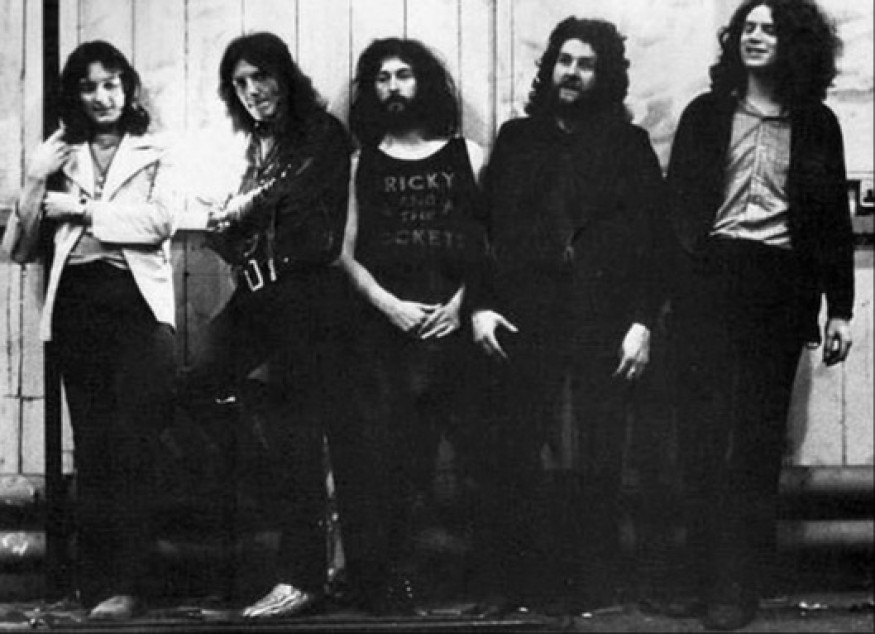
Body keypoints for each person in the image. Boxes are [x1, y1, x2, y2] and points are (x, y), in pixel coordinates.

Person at [652, 0, 854, 630]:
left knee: (758, 441)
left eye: (769, 28)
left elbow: (832, 220)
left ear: (795, 42)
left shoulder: (817, 123)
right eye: (748, 27)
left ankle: (737, 584)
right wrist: (671, 291)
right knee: (702, 436)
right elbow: (676, 208)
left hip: (780, 287)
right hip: (710, 281)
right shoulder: (706, 113)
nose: (755, 36)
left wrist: (840, 309)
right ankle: (699, 577)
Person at [468, 17, 664, 610]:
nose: (573, 73)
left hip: (604, 322)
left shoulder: (628, 146)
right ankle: (518, 586)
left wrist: (642, 323)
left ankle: (591, 586)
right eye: (565, 61)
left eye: (586, 64)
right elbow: (480, 231)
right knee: (516, 453)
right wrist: (480, 307)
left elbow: (655, 242)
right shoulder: (516, 139)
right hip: (523, 321)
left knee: (600, 456)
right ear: (550, 68)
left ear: (604, 76)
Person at [2, 41, 179, 619]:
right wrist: (35, 179)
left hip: (137, 309)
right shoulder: (59, 155)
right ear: (73, 95)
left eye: (110, 84)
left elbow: (160, 221)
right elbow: (20, 248)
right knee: (96, 448)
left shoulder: (156, 149)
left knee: (136, 446)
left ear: (127, 87)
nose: (101, 97)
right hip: (77, 311)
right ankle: (98, 587)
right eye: (88, 87)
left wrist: (81, 210)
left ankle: (132, 584)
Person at [177, 32, 351, 619]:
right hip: (257, 294)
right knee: (196, 384)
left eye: (262, 77)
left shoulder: (322, 134)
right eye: (241, 83)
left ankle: (303, 579)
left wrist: (239, 209)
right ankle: (277, 511)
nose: (253, 91)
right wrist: (229, 219)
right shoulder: (259, 145)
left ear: (285, 76)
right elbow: (230, 238)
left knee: (299, 433)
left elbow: (296, 210)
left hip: (305, 298)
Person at [334, 37, 486, 615]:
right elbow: (344, 252)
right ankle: (392, 581)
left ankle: (469, 581)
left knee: (471, 451)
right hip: (386, 328)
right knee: (390, 457)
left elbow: (489, 242)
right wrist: (388, 305)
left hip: (455, 325)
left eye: (403, 75)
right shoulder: (361, 163)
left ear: (423, 83)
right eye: (382, 78)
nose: (393, 86)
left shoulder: (468, 155)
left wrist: (462, 305)